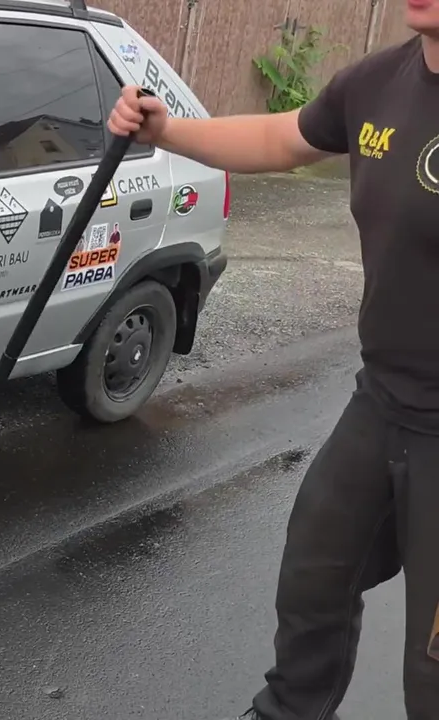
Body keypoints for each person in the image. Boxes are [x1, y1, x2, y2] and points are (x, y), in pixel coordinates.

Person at [108, 3, 439, 719]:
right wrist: (167, 130)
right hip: (383, 402)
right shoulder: (376, 84)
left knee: (433, 667)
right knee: (316, 577)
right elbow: (278, 137)